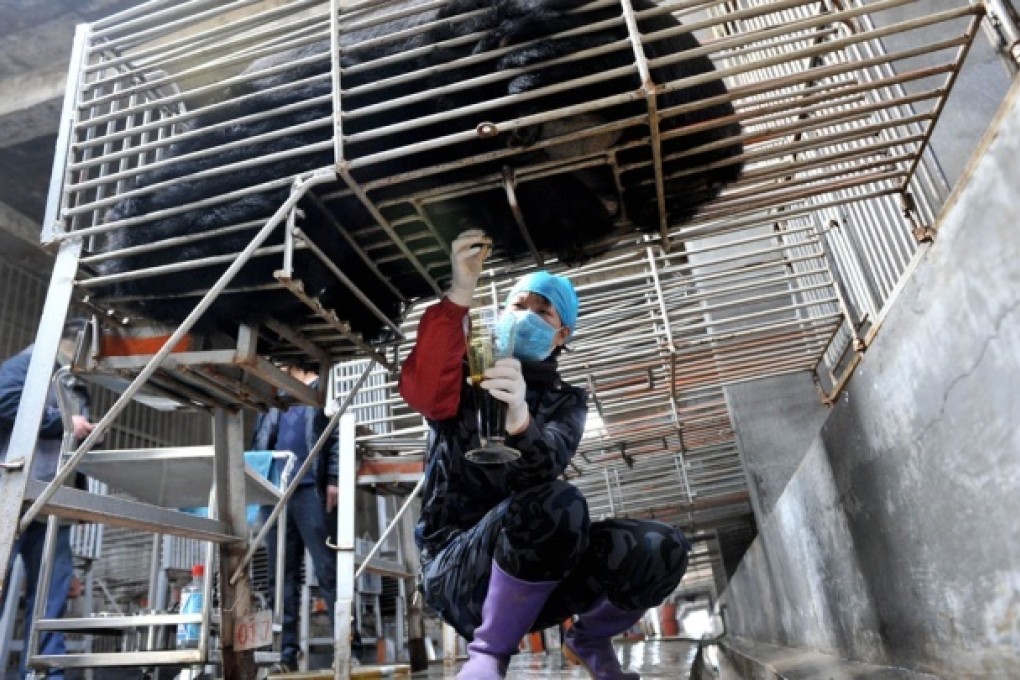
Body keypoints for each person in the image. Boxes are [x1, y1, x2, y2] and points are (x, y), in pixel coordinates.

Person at [399, 230, 692, 680]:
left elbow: (546, 465)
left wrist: (520, 418)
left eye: (542, 312)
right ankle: (489, 654)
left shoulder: (565, 402)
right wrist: (459, 291)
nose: (527, 317)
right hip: (458, 572)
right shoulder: (464, 379)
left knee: (662, 547)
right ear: (501, 314)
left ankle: (589, 639)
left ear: (562, 335)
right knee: (559, 504)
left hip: (542, 577)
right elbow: (422, 387)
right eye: (519, 306)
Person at [0, 318, 95, 679]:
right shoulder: (29, 364)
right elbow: (4, 400)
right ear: (74, 343)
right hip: (15, 496)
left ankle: (45, 675)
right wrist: (63, 422)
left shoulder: (76, 383)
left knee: (49, 606)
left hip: (53, 503)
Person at [250, 362, 340, 673]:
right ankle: (285, 654)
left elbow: (337, 434)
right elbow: (259, 441)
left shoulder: (322, 388)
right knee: (281, 576)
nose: (273, 366)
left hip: (310, 488)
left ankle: (346, 646)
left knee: (329, 569)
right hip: (275, 492)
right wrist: (256, 484)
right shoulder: (274, 395)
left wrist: (335, 478)